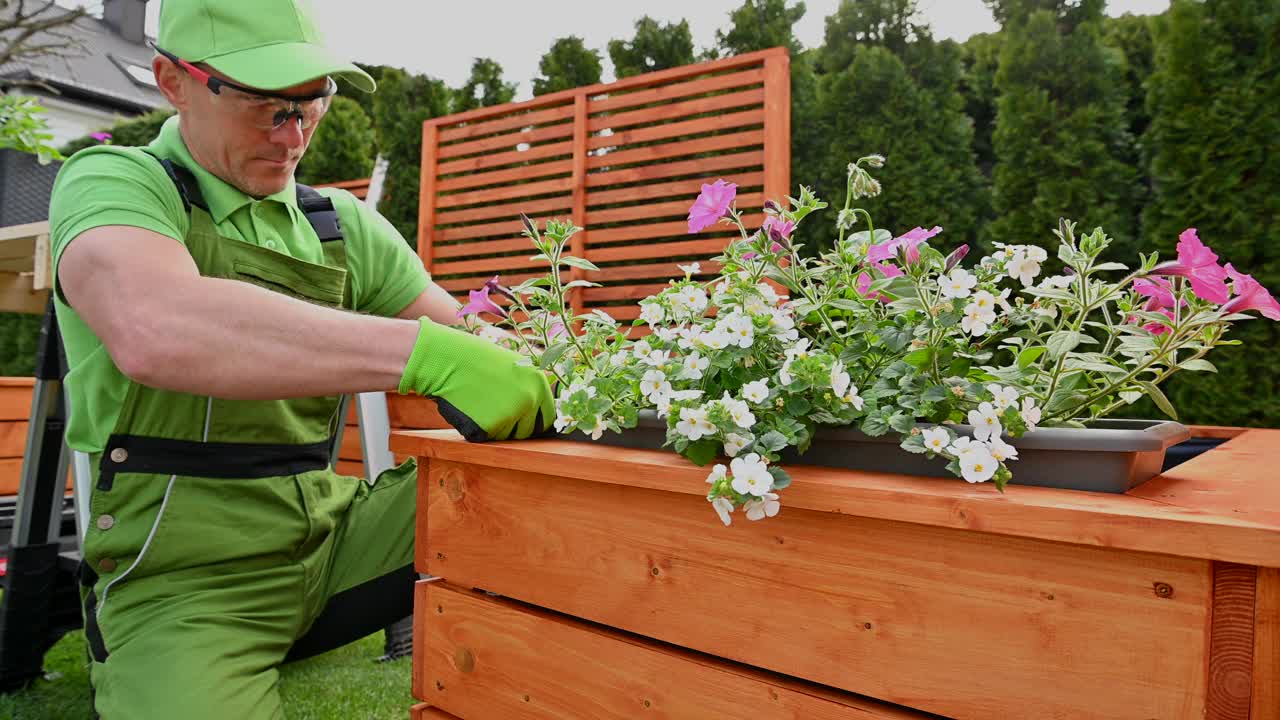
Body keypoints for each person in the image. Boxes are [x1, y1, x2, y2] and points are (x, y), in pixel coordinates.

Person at [45, 0, 554, 717]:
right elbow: (155, 325)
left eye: (311, 104)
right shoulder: (115, 184)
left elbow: (474, 337)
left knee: (557, 492)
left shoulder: (340, 224)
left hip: (335, 539)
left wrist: (548, 356)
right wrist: (421, 354)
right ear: (172, 81)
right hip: (182, 580)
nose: (292, 135)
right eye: (262, 106)